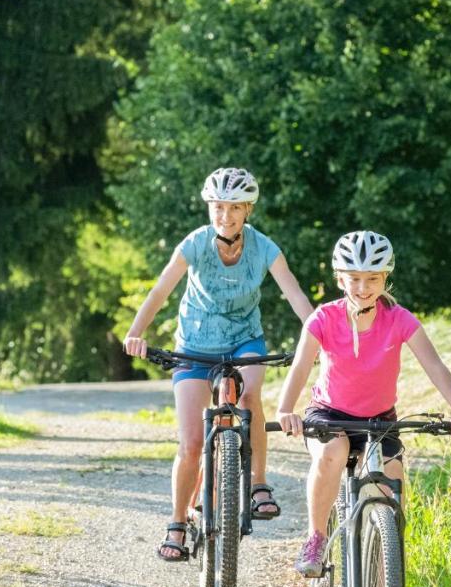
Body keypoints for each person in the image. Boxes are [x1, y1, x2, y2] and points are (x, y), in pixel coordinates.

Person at [123, 167, 314, 562]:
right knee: (191, 441)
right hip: (194, 345)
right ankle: (177, 523)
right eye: (218, 206)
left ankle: (259, 483)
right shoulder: (195, 244)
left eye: (234, 208)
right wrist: (136, 331)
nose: (224, 215)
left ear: (248, 211)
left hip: (244, 340)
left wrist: (320, 339)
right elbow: (161, 288)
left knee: (248, 398)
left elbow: (294, 293)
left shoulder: (265, 249)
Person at [275, 230, 451, 576]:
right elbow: (299, 368)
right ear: (340, 278)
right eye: (354, 278)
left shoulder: (398, 320)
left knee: (390, 490)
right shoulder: (323, 318)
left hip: (379, 420)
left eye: (372, 278)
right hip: (329, 416)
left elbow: (434, 365)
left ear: (386, 278)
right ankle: (316, 537)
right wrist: (285, 410)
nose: (363, 287)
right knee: (333, 453)